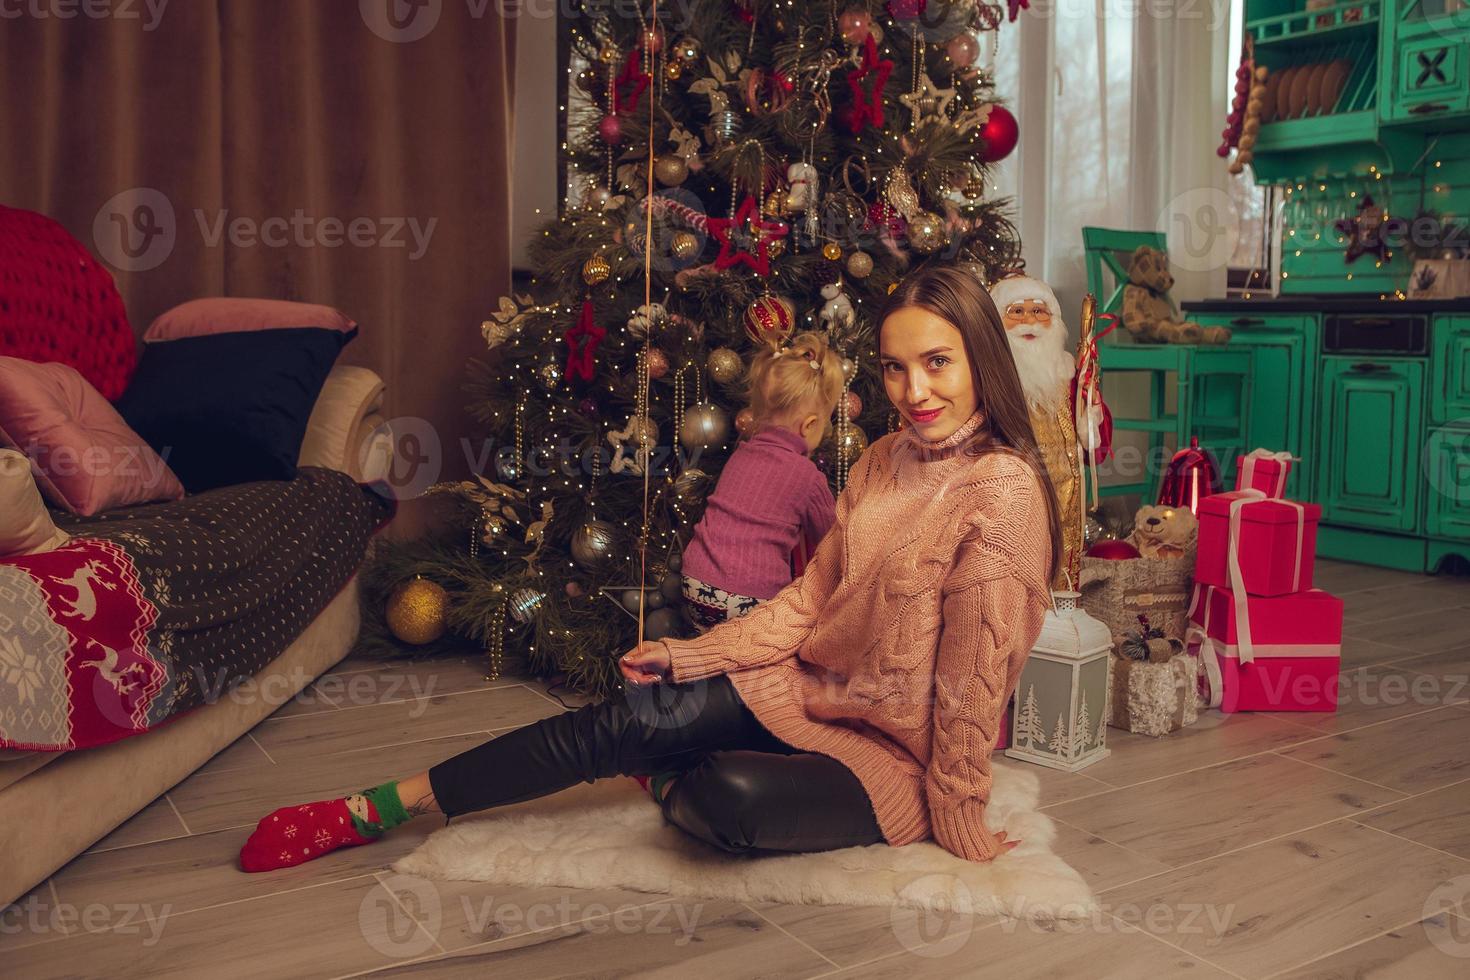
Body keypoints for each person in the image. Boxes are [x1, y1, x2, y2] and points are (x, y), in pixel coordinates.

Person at [237, 264, 1060, 874]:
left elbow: (969, 684)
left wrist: (956, 811)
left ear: (979, 356)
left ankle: (674, 785)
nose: (913, 390)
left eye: (937, 363)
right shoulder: (883, 460)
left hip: (897, 759)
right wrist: (691, 656)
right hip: (810, 689)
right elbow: (811, 599)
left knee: (728, 798)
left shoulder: (1003, 493)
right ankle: (384, 803)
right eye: (894, 366)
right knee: (627, 718)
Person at [679, 329, 845, 633]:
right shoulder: (807, 476)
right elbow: (832, 542)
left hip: (694, 580)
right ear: (809, 426)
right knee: (789, 638)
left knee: (723, 650)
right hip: (748, 597)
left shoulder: (741, 454)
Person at [988, 272, 1112, 591]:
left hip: (1064, 498)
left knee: (1059, 570)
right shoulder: (989, 378)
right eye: (1017, 311)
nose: (1029, 320)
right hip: (1008, 494)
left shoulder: (1067, 373)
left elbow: (1096, 445)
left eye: (1039, 311)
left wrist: (1090, 402)